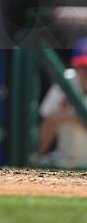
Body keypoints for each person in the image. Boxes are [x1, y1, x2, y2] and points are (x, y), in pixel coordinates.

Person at [38, 38, 87, 167]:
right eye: (84, 67)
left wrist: (70, 117)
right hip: (64, 161)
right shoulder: (66, 81)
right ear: (76, 67)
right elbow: (48, 122)